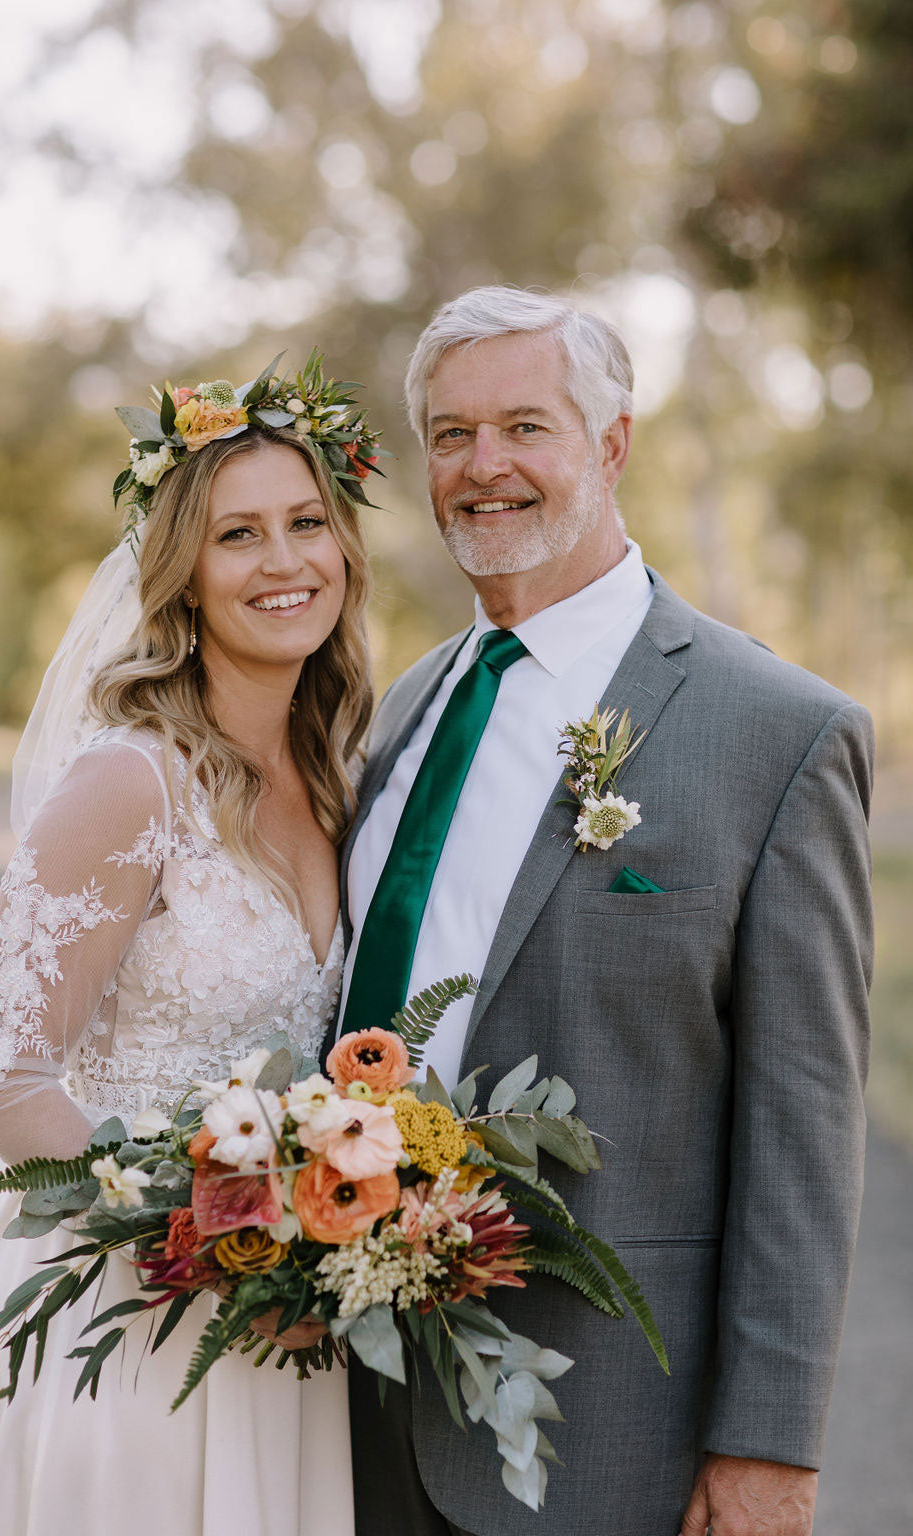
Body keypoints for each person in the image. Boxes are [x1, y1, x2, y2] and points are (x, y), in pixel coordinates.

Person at [339, 286, 873, 1536]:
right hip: (350, 1410)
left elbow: (804, 1127)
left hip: (611, 1439)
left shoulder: (777, 734)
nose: (485, 468)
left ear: (612, 444)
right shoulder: (400, 713)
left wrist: (768, 1452)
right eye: (452, 435)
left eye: (525, 426)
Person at [0, 359, 381, 1536]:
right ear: (181, 575)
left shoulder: (338, 776)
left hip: (291, 1330)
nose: (284, 563)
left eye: (305, 524)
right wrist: (229, 1247)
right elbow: (2, 1080)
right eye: (239, 535)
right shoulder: (129, 783)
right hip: (133, 1334)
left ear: (344, 548)